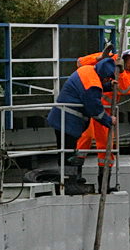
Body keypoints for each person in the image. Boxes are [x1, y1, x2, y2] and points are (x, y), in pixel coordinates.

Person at [75, 44, 130, 192]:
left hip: (105, 112)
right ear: (127, 56)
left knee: (106, 146)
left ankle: (103, 185)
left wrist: (120, 72)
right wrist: (100, 57)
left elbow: (126, 89)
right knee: (82, 141)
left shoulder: (129, 74)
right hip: (89, 107)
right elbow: (80, 63)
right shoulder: (109, 58)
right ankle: (76, 178)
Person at [46, 55, 117, 195]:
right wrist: (109, 121)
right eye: (107, 79)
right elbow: (94, 108)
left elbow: (91, 87)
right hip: (67, 121)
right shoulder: (93, 84)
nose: (106, 80)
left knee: (67, 152)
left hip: (62, 118)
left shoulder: (88, 70)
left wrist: (108, 86)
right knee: (67, 154)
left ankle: (69, 181)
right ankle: (69, 184)